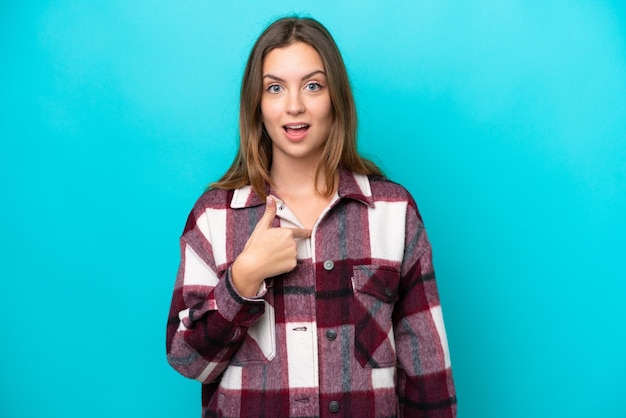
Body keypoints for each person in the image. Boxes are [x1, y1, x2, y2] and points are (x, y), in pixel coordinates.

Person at [166, 16, 456, 418]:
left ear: (335, 98)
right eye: (275, 88)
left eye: (313, 85)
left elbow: (428, 377)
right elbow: (187, 361)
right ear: (258, 105)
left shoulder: (394, 212)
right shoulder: (214, 217)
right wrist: (243, 278)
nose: (294, 105)